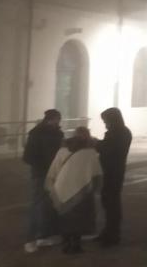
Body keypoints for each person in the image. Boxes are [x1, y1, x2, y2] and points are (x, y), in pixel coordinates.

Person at [46, 127, 102, 255]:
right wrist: (96, 187)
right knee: (80, 217)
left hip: (62, 187)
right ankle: (76, 244)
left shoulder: (62, 150)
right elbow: (96, 172)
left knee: (65, 216)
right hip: (83, 190)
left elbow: (54, 169)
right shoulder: (90, 152)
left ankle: (66, 243)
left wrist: (52, 184)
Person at [23, 109, 64, 253]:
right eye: (57, 119)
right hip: (42, 174)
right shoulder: (40, 133)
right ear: (52, 119)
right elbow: (28, 156)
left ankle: (43, 236)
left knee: (48, 205)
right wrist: (46, 166)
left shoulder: (53, 133)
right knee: (39, 205)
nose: (58, 122)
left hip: (49, 173)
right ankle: (31, 239)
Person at [96, 107, 131, 247]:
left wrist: (96, 144)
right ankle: (108, 231)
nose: (105, 124)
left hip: (114, 172)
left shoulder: (119, 133)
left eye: (106, 121)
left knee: (112, 203)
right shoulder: (118, 132)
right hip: (110, 170)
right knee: (108, 201)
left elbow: (110, 150)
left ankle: (113, 234)